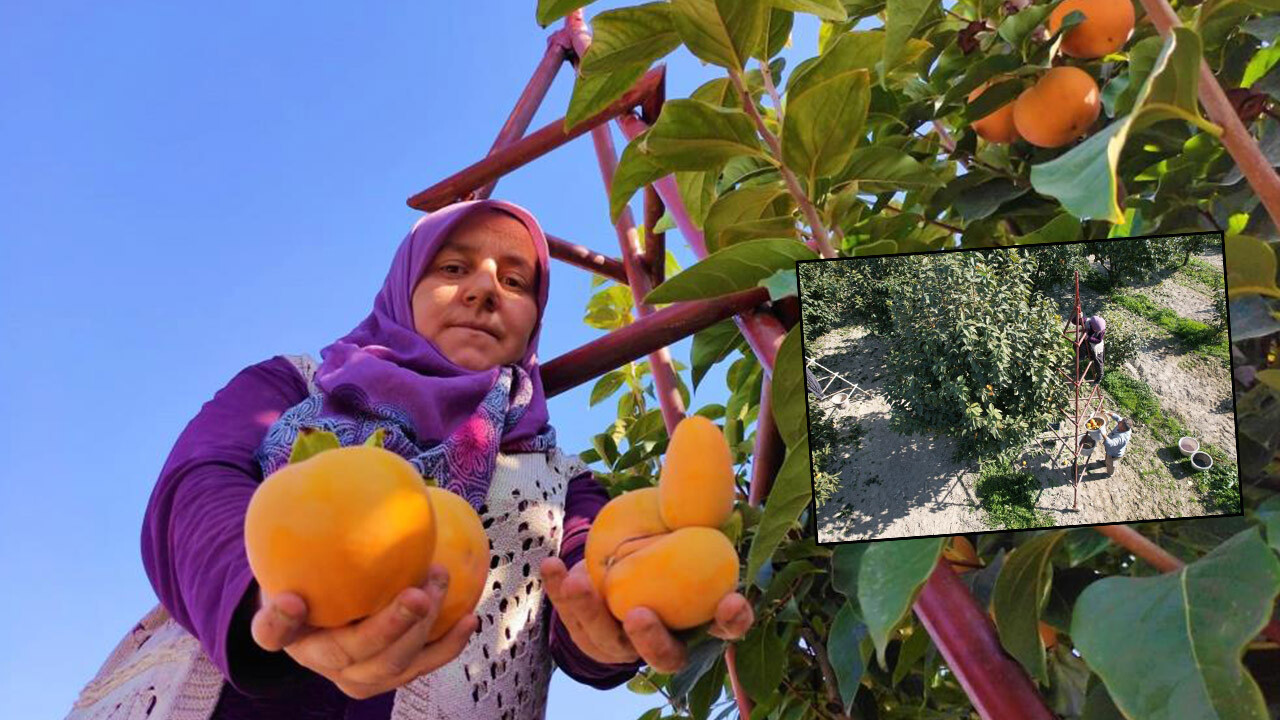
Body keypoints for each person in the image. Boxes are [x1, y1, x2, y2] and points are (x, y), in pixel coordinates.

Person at [137, 200, 754, 720]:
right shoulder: (294, 385)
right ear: (403, 289)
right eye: (454, 267)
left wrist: (611, 629)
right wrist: (262, 599)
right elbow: (194, 488)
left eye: (516, 282)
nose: (486, 289)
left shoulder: (564, 484)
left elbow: (584, 588)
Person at [1081, 407, 1133, 476]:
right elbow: (1117, 417)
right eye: (1120, 421)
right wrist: (1107, 413)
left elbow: (1110, 443)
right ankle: (1105, 462)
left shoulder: (1122, 437)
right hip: (1110, 451)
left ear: (1123, 428)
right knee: (1107, 456)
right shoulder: (1123, 424)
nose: (1119, 422)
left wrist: (1103, 432)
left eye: (1120, 423)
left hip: (1114, 454)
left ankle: (1110, 473)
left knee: (1110, 463)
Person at [1068, 311, 1106, 384]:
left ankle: (1099, 376)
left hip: (1096, 346)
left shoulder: (1101, 330)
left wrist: (1088, 338)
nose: (1096, 331)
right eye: (1095, 329)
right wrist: (1078, 317)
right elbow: (1074, 322)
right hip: (1086, 342)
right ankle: (1082, 356)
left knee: (1098, 362)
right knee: (1076, 345)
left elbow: (1098, 340)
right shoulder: (1087, 321)